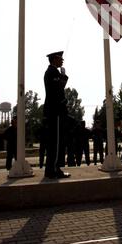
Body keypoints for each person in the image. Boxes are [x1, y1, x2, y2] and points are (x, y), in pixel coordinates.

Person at [43, 50, 71, 179]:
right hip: (56, 111)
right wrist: (63, 76)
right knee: (56, 142)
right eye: (61, 58)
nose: (62, 60)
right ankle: (53, 170)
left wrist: (62, 77)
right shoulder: (52, 72)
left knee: (56, 142)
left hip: (55, 111)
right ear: (55, 59)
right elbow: (58, 89)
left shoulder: (54, 72)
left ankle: (54, 169)